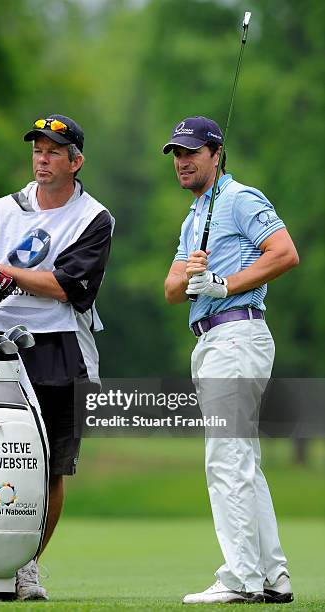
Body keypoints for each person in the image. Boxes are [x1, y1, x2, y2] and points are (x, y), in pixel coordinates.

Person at [0, 114, 114, 600]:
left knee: (49, 468)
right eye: (37, 151)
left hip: (62, 350)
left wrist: (0, 271)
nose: (42, 159)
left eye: (53, 151)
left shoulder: (93, 219)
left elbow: (68, 288)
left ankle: (27, 568)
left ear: (75, 162)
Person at [163, 116, 298, 605]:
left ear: (216, 154)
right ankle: (271, 577)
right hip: (212, 342)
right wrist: (193, 276)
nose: (182, 162)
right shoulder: (193, 216)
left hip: (237, 333)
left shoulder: (240, 198)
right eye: (177, 154)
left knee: (227, 459)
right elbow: (172, 291)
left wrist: (224, 284)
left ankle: (241, 578)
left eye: (192, 152)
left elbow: (284, 253)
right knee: (243, 463)